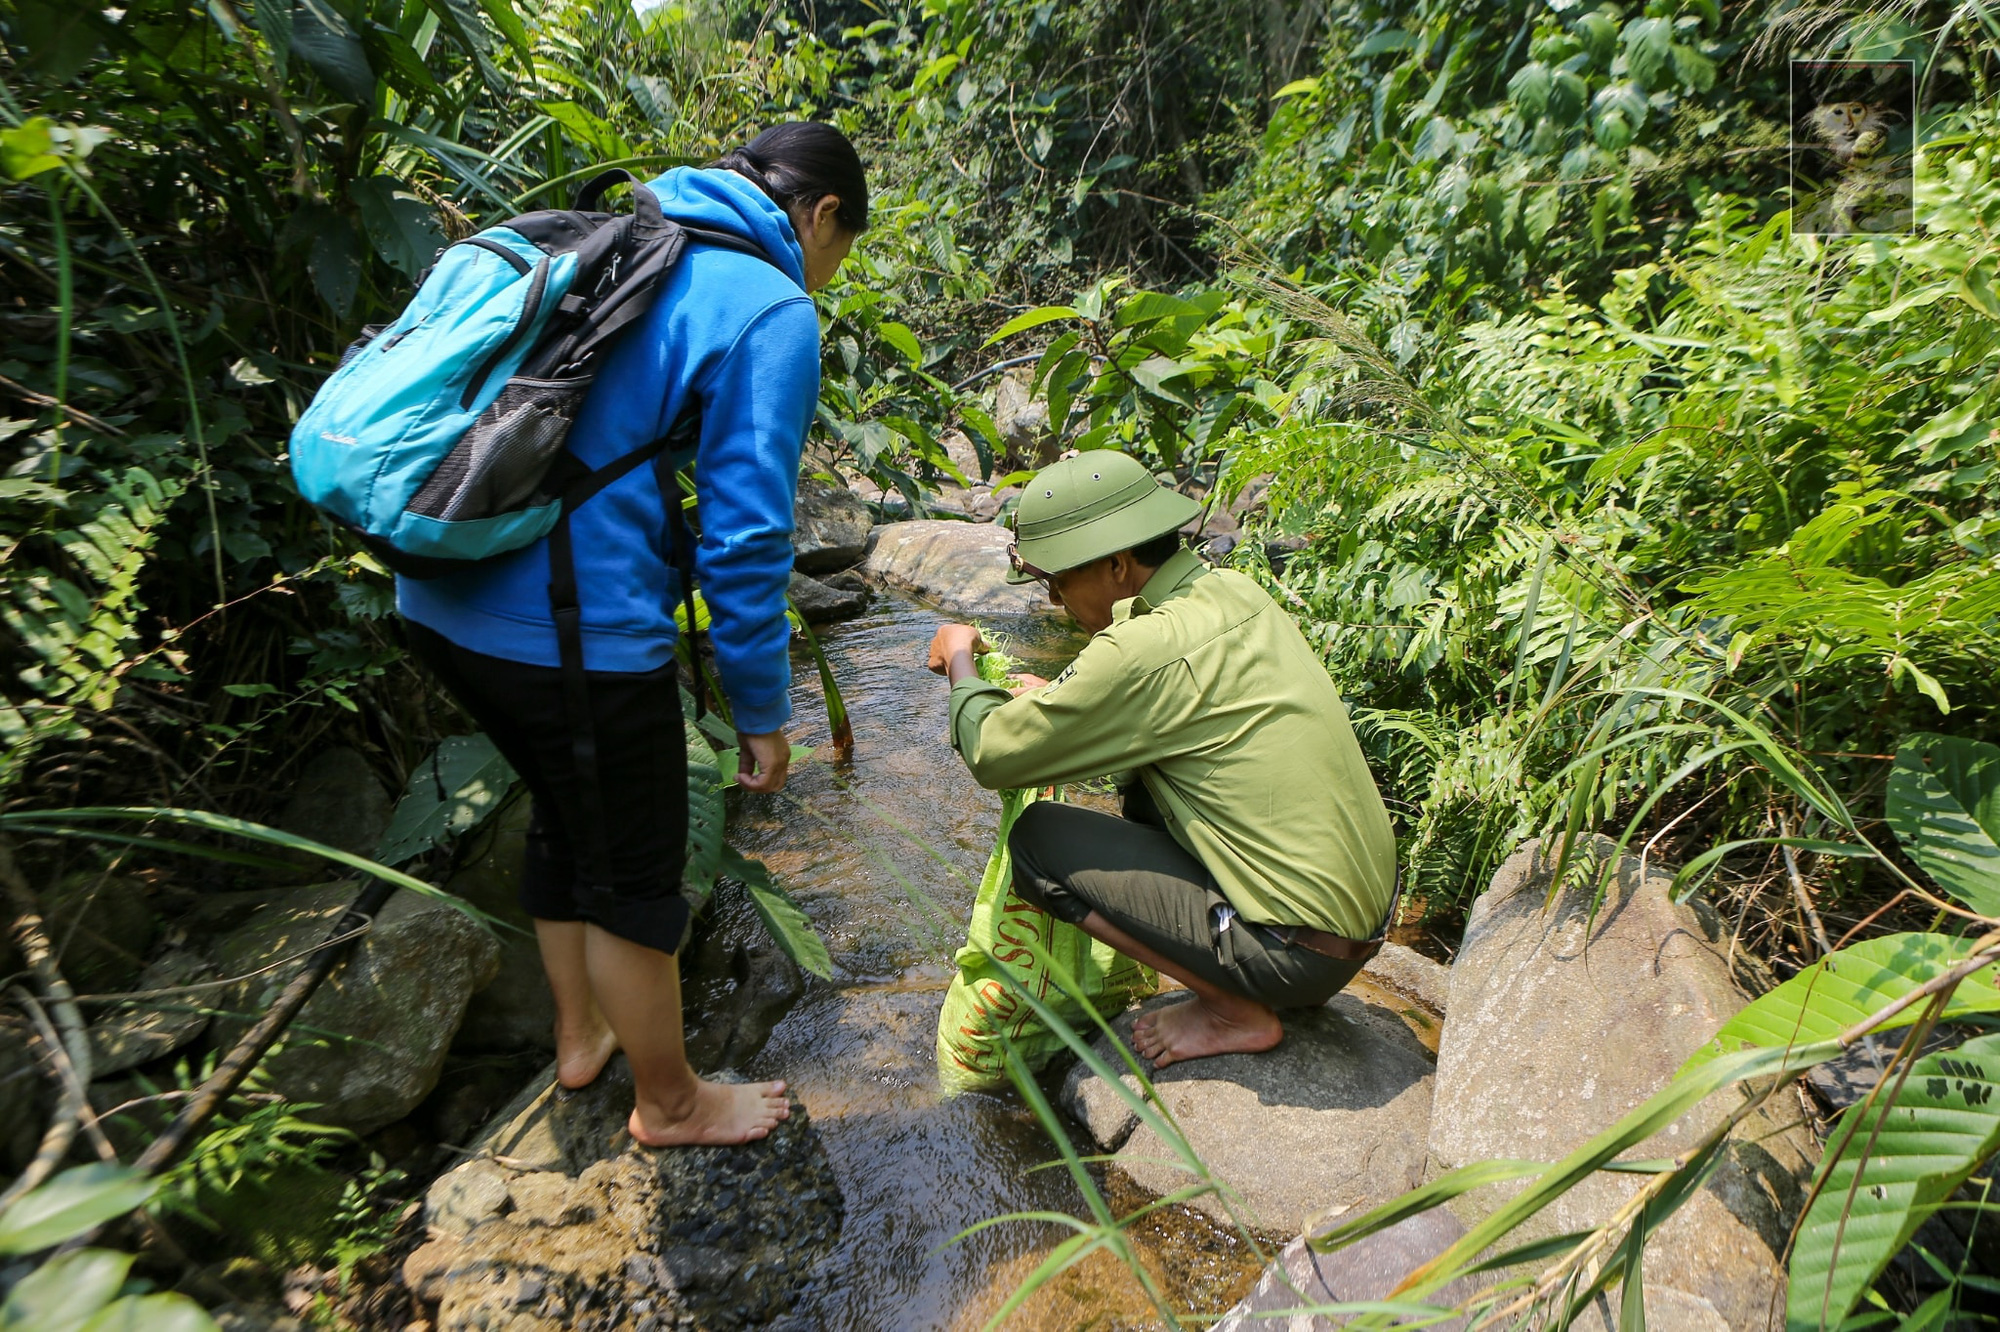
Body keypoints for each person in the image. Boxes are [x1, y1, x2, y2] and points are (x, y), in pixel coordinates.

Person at [397, 123, 867, 1145]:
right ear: (820, 215)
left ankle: (581, 1038)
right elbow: (745, 540)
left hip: (439, 592)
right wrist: (760, 711)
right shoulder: (768, 305)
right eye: (841, 253)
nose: (827, 277)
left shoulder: (615, 237)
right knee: (639, 875)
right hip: (570, 632)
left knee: (570, 816)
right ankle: (672, 1103)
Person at [926, 451, 1397, 1068]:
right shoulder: (1233, 592)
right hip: (1358, 930)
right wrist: (1059, 703)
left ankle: (1231, 1009)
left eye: (1057, 581)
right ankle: (1237, 959)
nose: (1055, 600)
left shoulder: (1140, 647)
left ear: (1117, 564)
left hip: (1295, 957)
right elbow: (1173, 717)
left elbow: (992, 752)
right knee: (1142, 790)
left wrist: (961, 660)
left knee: (1040, 842)